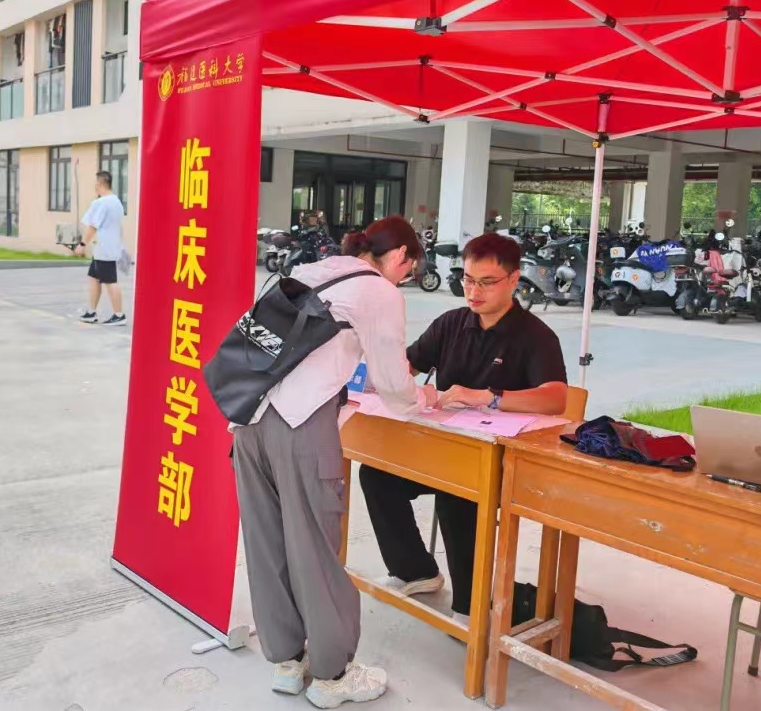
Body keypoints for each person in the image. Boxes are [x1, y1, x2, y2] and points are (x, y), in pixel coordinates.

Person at [232, 216, 438, 709]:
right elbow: (394, 384)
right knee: (315, 550)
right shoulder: (378, 291)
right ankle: (331, 676)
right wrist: (427, 398)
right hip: (302, 427)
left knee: (267, 543)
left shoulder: (308, 270)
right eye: (407, 269)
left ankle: (287, 662)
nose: (404, 279)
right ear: (400, 256)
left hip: (247, 420)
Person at [360, 232, 568, 624]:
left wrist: (489, 396)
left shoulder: (535, 336)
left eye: (487, 282)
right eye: (468, 280)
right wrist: (381, 375)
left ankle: (470, 607)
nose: (473, 292)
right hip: (446, 447)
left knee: (458, 494)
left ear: (514, 279)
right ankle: (415, 571)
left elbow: (556, 398)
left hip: (503, 461)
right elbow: (409, 365)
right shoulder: (452, 323)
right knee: (377, 474)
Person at [74, 171, 127, 325]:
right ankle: (91, 312)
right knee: (94, 278)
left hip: (104, 249)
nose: (94, 185)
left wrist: (82, 244)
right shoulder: (117, 202)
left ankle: (119, 315)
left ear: (99, 183)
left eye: (95, 182)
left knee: (110, 281)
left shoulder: (101, 203)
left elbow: (93, 226)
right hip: (107, 248)